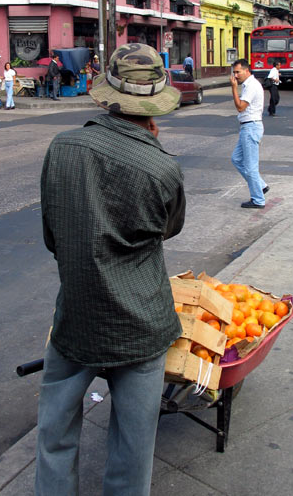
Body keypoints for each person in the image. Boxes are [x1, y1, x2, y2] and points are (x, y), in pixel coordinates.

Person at [35, 43, 185, 496]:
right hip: (142, 325)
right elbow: (168, 229)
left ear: (105, 95)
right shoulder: (162, 168)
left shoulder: (62, 148)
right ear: (155, 103)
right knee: (133, 445)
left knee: (54, 433)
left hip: (77, 316)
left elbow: (52, 236)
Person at [230, 58, 268, 209]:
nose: (236, 76)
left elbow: (240, 107)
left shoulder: (251, 86)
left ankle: (258, 199)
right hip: (247, 127)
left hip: (251, 127)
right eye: (234, 73)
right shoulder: (248, 85)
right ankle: (260, 185)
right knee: (236, 159)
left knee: (251, 167)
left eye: (238, 72)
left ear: (247, 71)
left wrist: (233, 88)